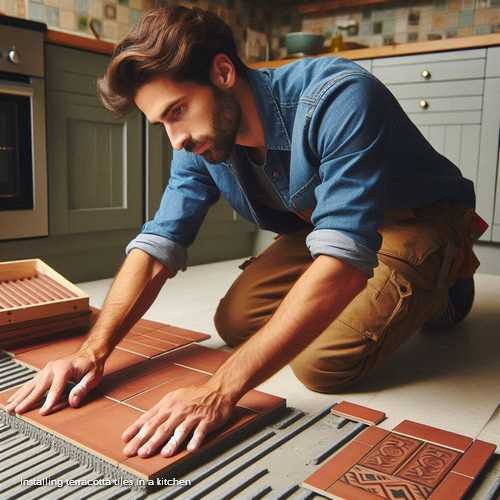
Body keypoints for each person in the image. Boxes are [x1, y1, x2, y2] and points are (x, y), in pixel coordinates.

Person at [5, 6, 486, 459]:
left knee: (321, 363)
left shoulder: (340, 97)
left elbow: (341, 266)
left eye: (177, 111)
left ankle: (444, 279)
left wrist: (219, 390)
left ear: (222, 73)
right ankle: (374, 294)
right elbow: (158, 245)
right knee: (235, 321)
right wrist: (91, 353)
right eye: (161, 124)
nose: (177, 139)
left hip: (415, 219)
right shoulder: (199, 143)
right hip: (328, 227)